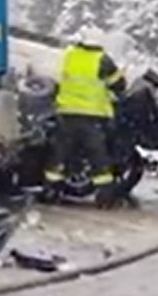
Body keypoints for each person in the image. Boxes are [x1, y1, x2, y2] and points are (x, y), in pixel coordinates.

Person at [51, 25, 127, 206]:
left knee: (60, 155)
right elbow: (119, 85)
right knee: (98, 157)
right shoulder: (102, 60)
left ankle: (50, 191)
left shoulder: (70, 55)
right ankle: (105, 197)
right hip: (91, 117)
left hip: (66, 113)